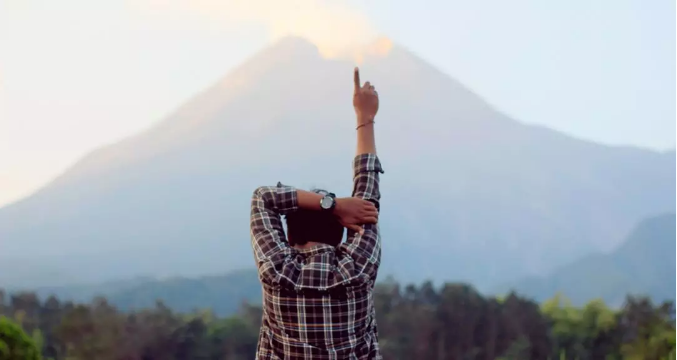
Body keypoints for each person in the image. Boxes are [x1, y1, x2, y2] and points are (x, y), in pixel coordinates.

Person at [249, 67, 384, 359]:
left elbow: (263, 197)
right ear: (341, 230)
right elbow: (367, 197)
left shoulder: (277, 270)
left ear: (289, 232)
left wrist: (331, 204)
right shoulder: (357, 269)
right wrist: (365, 118)